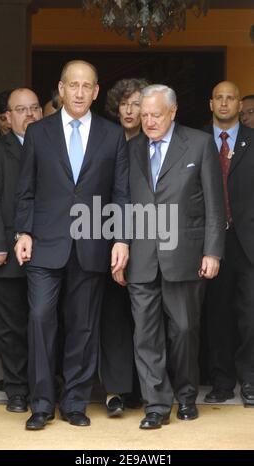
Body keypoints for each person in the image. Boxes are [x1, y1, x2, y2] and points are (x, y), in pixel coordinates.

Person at [14, 60, 130, 430]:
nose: (79, 93)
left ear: (96, 92)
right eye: (73, 85)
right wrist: (23, 232)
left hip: (92, 243)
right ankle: (43, 403)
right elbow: (26, 190)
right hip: (45, 243)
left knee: (83, 326)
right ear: (61, 89)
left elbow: (121, 194)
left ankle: (75, 401)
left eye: (87, 86)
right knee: (40, 319)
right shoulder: (38, 132)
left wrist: (121, 238)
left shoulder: (112, 136)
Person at [125, 84, 225, 429]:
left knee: (183, 330)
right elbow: (123, 203)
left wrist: (212, 250)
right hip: (141, 257)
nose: (149, 122)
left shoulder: (199, 143)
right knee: (145, 334)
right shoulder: (132, 148)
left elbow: (215, 203)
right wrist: (120, 243)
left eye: (156, 115)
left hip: (185, 255)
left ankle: (185, 395)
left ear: (173, 112)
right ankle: (156, 404)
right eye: (144, 115)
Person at [203, 81, 254, 406]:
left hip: (248, 241)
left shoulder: (253, 140)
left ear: (239, 104)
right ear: (211, 103)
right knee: (215, 313)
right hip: (210, 241)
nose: (224, 103)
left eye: (230, 98)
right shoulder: (193, 141)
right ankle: (220, 381)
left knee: (250, 315)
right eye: (219, 97)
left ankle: (249, 380)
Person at [101, 78, 148, 417]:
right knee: (113, 318)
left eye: (137, 104)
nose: (130, 111)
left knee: (146, 320)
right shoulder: (103, 139)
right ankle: (115, 391)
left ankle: (144, 387)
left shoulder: (157, 143)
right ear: (115, 108)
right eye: (124, 104)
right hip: (106, 236)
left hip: (148, 241)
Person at [0, 88, 42, 412]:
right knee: (11, 325)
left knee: (45, 321)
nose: (29, 114)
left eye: (34, 108)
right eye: (21, 109)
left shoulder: (55, 146)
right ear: (8, 118)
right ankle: (16, 390)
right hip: (8, 251)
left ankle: (44, 386)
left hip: (50, 251)